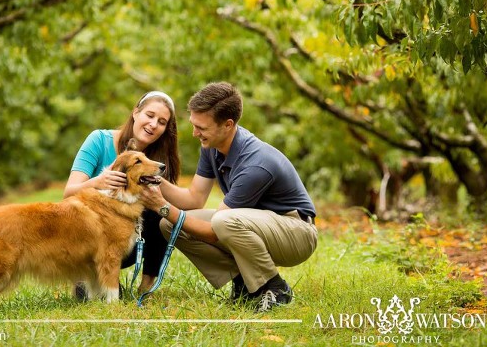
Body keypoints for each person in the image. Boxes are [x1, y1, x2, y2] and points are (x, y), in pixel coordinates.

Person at [141, 82, 317, 312]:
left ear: (228, 125)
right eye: (194, 125)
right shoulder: (211, 147)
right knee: (170, 225)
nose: (195, 133)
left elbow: (214, 232)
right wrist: (152, 178)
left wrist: (162, 206)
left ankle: (274, 288)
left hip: (296, 233)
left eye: (201, 127)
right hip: (258, 224)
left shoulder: (256, 164)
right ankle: (244, 284)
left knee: (221, 221)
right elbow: (194, 199)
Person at [64, 91, 181, 297]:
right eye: (150, 115)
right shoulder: (99, 140)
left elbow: (185, 201)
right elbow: (68, 194)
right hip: (91, 238)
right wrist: (97, 182)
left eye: (162, 122)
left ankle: (146, 288)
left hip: (129, 242)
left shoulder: (156, 161)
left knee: (160, 213)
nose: (154, 124)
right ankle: (88, 276)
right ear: (136, 113)